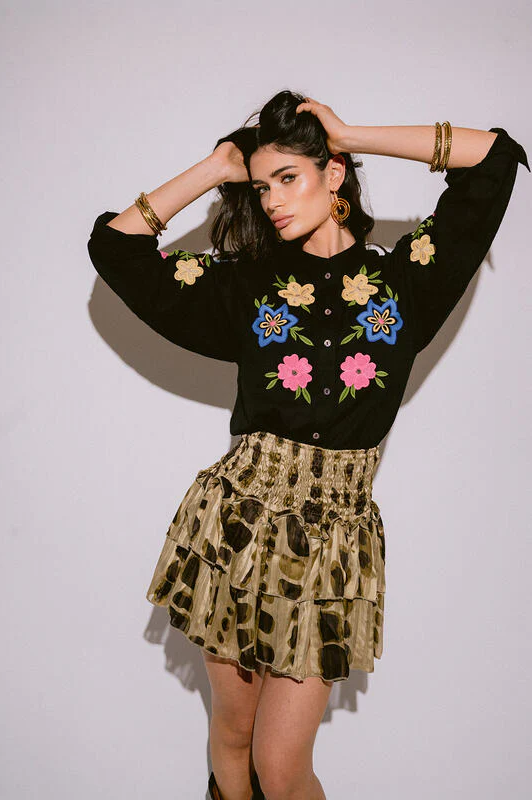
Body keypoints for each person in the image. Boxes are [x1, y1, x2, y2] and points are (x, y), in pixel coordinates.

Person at [87, 90, 529, 800]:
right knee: (234, 740)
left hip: (332, 543)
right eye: (262, 187)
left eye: (288, 177)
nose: (270, 200)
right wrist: (216, 168)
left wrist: (350, 133)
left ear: (334, 174)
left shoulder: (406, 280)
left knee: (282, 765)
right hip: (236, 528)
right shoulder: (251, 287)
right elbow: (115, 248)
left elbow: (495, 158)